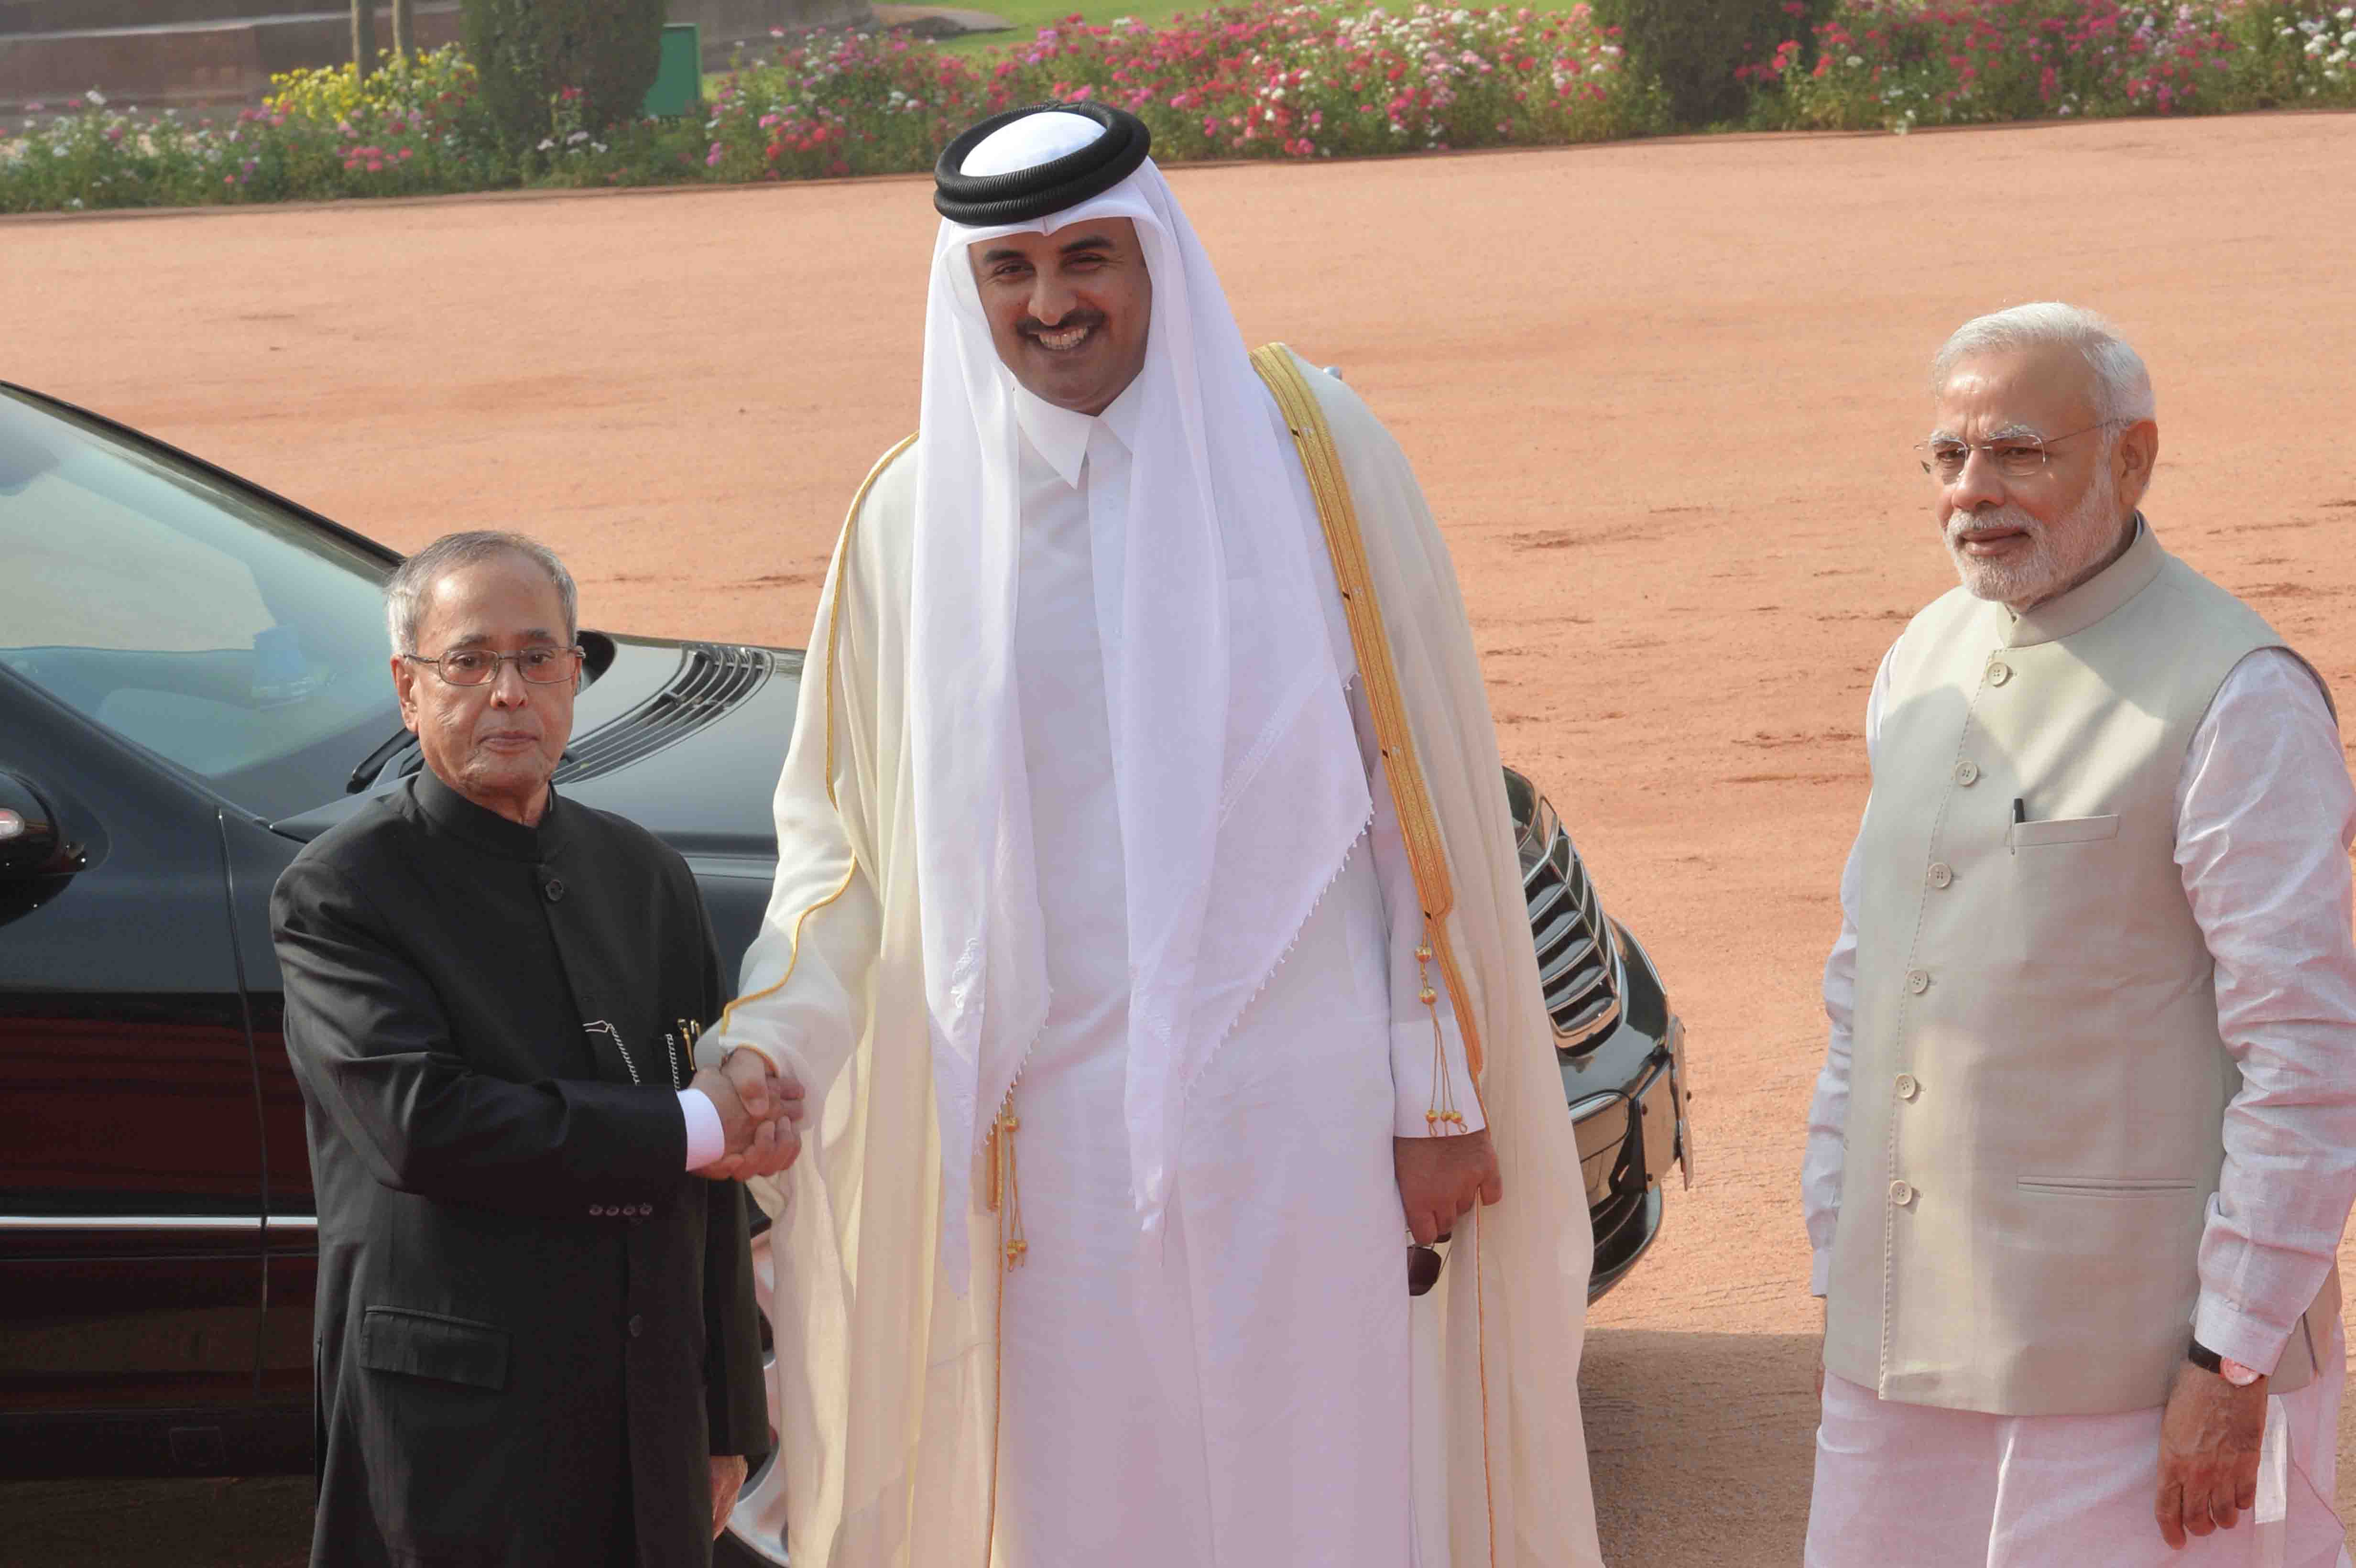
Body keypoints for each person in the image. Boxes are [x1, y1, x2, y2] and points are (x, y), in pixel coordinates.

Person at [703, 104, 1602, 1567]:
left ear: (1156, 256)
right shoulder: (912, 519)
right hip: (1040, 1125)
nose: (1054, 306)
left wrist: (1435, 1095)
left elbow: (1410, 793)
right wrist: (777, 1041)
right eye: (1014, 275)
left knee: (1318, 1480)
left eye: (1087, 259)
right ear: (969, 292)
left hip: (1297, 1099)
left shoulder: (1306, 450)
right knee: (1083, 1502)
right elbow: (845, 851)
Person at [1801, 304, 2356, 1566]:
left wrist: (2235, 1351)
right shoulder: (1922, 662)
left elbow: (2307, 1054)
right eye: (1947, 459)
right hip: (1900, 1353)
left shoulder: (2239, 693)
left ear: (2132, 459)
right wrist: (1841, 1240)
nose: (1974, 493)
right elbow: (1867, 986)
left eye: (2019, 454)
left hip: (2143, 1376)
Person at [271, 531, 797, 1568]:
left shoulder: (643, 874)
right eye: (467, 661)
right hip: (457, 1435)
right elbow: (426, 1127)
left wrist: (729, 1413)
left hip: (646, 1419)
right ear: (408, 687)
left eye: (537, 658)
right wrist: (693, 1124)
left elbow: (713, 1189)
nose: (507, 691)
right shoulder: (344, 891)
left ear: (572, 676)